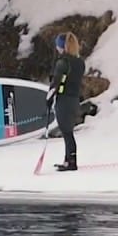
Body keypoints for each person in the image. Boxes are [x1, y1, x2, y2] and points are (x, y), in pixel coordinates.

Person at [46, 31, 85, 172]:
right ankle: (68, 159)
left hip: (64, 100)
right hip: (74, 99)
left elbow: (56, 83)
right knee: (68, 131)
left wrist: (49, 98)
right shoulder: (79, 62)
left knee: (67, 132)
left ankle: (71, 162)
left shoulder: (63, 62)